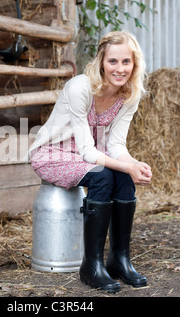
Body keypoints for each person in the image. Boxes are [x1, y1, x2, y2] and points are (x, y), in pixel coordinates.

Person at [29, 31, 152, 293]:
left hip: (90, 154)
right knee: (103, 175)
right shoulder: (80, 88)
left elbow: (116, 145)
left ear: (134, 64)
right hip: (53, 153)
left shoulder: (129, 94)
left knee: (121, 175)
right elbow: (87, 150)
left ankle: (119, 260)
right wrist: (125, 165)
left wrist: (134, 165)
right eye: (113, 62)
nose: (120, 69)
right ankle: (92, 266)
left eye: (126, 62)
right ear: (101, 62)